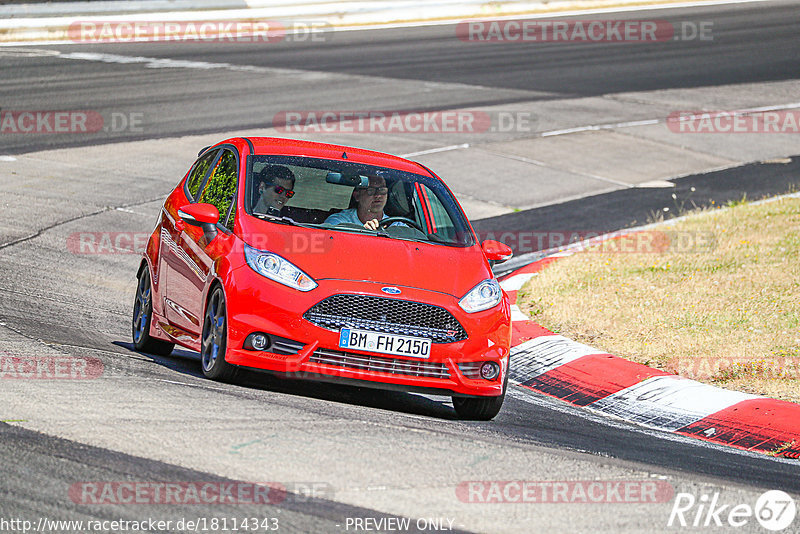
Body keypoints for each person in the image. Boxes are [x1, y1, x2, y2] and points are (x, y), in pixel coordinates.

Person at [324, 175, 394, 230]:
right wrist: (364, 233)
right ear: (357, 196)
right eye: (371, 190)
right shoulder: (339, 222)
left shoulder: (396, 226)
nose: (378, 195)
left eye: (382, 190)